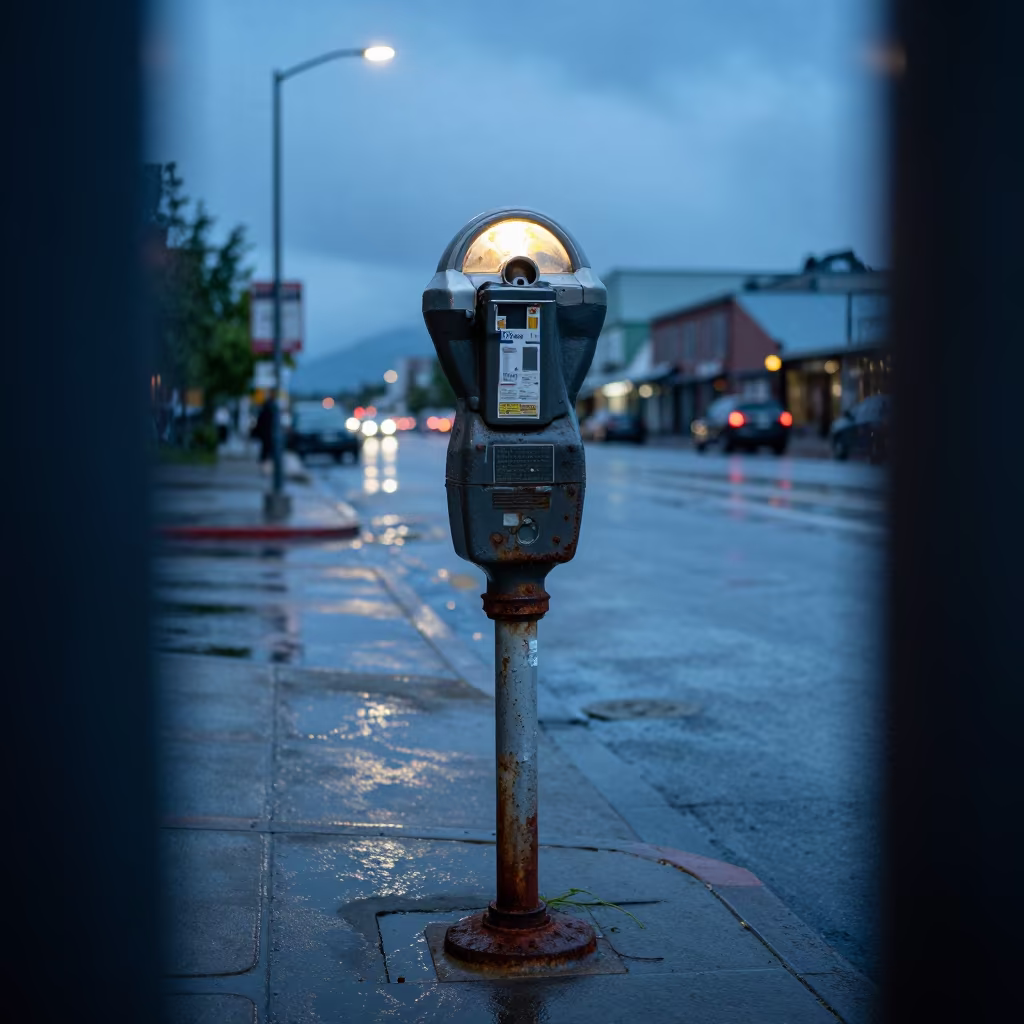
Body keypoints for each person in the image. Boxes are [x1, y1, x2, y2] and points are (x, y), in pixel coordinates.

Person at [251, 398, 275, 463]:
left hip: (264, 433)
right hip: (267, 433)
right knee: (266, 447)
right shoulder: (271, 413)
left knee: (265, 448)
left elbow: (259, 423)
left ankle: (263, 459)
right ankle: (264, 460)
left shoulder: (263, 413)